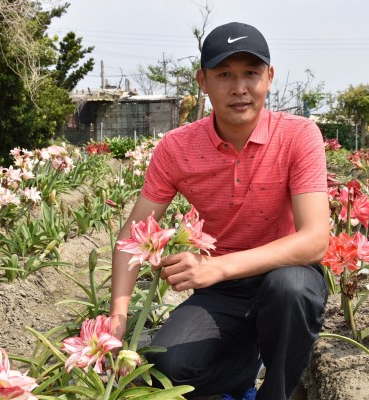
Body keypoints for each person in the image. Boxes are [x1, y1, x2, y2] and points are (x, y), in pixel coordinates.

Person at [109, 22, 330, 400]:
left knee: (290, 290)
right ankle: (245, 360)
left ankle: (275, 391)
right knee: (169, 369)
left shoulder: (299, 134)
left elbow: (314, 241)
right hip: (222, 291)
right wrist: (119, 314)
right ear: (203, 81)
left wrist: (215, 267)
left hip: (284, 274)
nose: (239, 88)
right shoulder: (177, 148)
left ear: (269, 77)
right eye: (224, 74)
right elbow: (133, 236)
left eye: (251, 73)